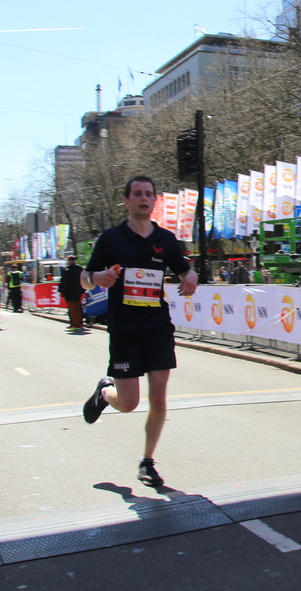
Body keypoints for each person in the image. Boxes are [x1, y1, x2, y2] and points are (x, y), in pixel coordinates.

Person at [81, 175, 197, 488]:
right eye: (137, 194)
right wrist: (96, 278)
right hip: (125, 329)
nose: (144, 198)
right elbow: (84, 278)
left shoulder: (166, 239)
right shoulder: (111, 239)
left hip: (158, 327)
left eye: (148, 194)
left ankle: (147, 461)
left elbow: (185, 270)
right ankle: (104, 393)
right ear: (127, 201)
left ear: (154, 201)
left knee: (158, 398)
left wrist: (191, 277)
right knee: (129, 403)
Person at [59, 255, 86, 332]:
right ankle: (80, 323)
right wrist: (82, 290)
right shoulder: (80, 269)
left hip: (69, 292)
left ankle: (75, 324)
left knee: (72, 309)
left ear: (69, 262)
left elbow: (65, 283)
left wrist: (63, 293)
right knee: (78, 308)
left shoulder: (67, 270)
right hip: (78, 292)